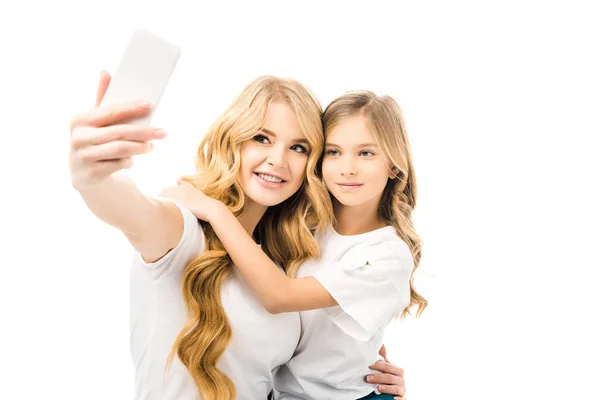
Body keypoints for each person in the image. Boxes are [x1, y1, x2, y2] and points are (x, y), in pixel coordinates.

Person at [69, 72, 407, 400]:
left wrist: (363, 380)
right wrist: (91, 174)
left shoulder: (282, 258)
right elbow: (128, 207)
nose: (277, 160)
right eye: (262, 138)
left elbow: (300, 352)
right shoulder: (183, 229)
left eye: (299, 147)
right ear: (233, 139)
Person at [166, 90, 426, 399]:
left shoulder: (387, 255)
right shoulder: (303, 224)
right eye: (333, 152)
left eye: (366, 153)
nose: (348, 168)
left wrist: (215, 211)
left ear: (394, 165)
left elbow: (280, 297)